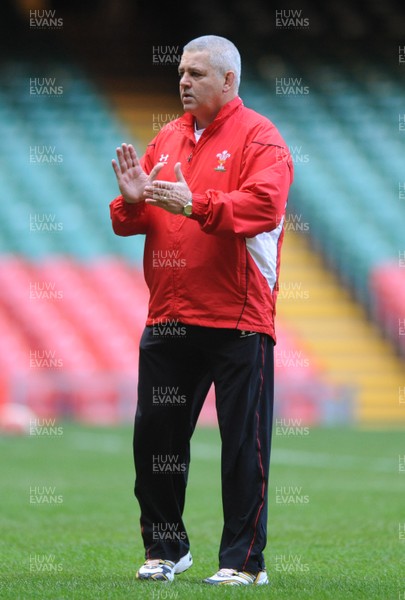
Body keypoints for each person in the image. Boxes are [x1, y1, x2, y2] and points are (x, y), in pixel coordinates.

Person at [109, 34, 293, 586]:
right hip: (168, 314)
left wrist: (193, 201)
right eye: (181, 72)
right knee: (156, 440)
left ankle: (242, 563)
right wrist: (132, 198)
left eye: (195, 73)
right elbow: (131, 218)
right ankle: (166, 548)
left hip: (237, 317)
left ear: (228, 81)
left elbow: (264, 205)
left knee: (242, 447)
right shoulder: (166, 136)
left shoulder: (261, 137)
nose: (183, 81)